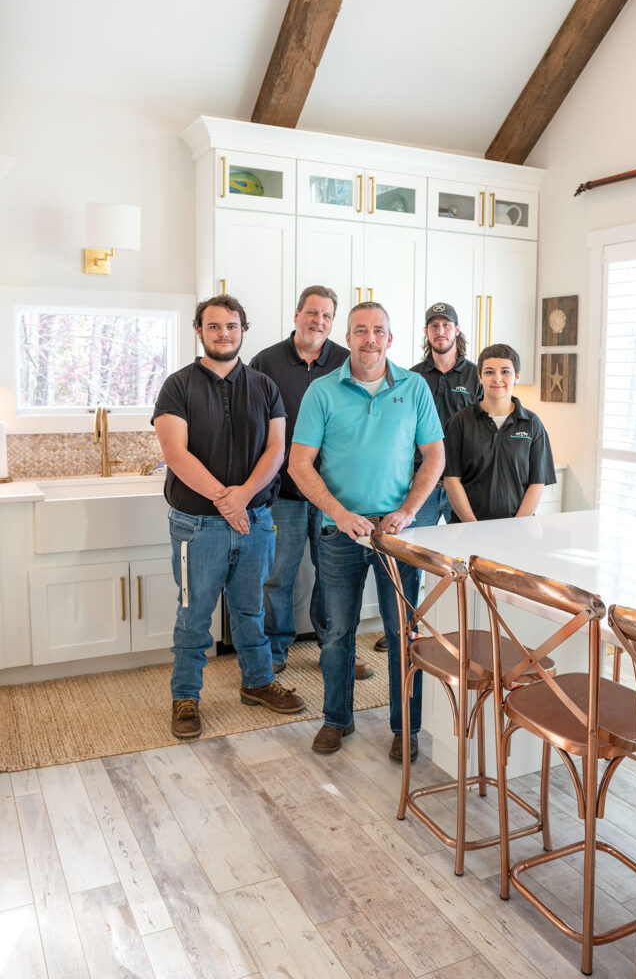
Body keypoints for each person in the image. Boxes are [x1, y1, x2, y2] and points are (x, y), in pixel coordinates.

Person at [289, 302, 444, 761]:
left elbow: (434, 457)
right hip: (340, 532)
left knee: (403, 633)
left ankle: (406, 727)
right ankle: (337, 719)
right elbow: (299, 464)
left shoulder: (414, 388)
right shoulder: (321, 391)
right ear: (348, 336)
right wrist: (338, 513)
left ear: (390, 339)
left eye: (378, 331)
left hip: (396, 534)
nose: (370, 339)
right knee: (338, 632)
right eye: (361, 331)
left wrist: (408, 510)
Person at [152, 295, 305, 739]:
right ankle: (186, 697)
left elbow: (277, 450)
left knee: (250, 609)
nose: (224, 334)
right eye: (214, 326)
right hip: (197, 525)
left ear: (243, 330)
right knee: (194, 614)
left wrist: (244, 497)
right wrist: (226, 500)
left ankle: (257, 683)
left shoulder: (263, 385)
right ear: (199, 331)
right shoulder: (177, 386)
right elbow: (175, 454)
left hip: (257, 521)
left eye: (232, 326)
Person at [250, 286, 373, 681]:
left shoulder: (345, 359)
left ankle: (332, 647)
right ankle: (275, 648)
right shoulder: (265, 361)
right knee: (279, 574)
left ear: (333, 322)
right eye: (311, 313)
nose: (318, 321)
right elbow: (255, 426)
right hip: (282, 492)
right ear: (296, 314)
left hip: (333, 493)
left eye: (326, 316)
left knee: (332, 573)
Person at [444, 342, 556, 523]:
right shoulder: (460, 422)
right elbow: (451, 479)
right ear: (479, 377)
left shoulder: (532, 424)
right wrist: (473, 526)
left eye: (505, 371)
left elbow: (537, 482)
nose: (497, 378)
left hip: (518, 530)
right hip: (467, 528)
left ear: (517, 376)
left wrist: (515, 526)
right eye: (489, 372)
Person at [410, 301, 482, 527]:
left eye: (446, 325)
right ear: (426, 332)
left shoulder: (477, 375)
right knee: (415, 554)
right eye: (434, 326)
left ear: (457, 329)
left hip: (462, 484)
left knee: (463, 555)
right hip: (421, 484)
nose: (440, 331)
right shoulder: (413, 378)